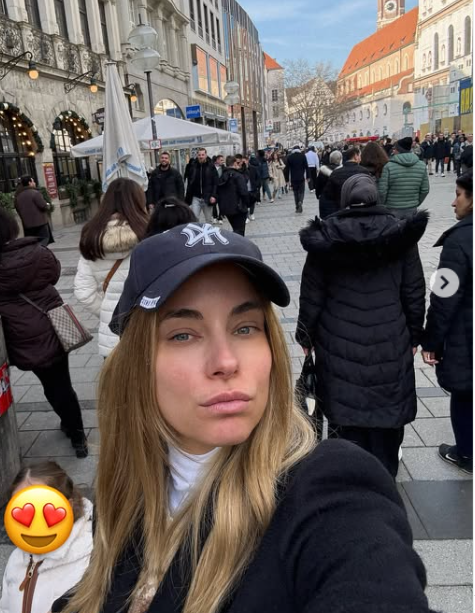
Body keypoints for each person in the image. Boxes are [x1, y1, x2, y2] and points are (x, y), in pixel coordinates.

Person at [52, 222, 435, 613]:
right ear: (137, 363)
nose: (226, 361)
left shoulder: (328, 488)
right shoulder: (126, 489)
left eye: (246, 328)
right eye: (183, 334)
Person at [296, 175, 427, 478]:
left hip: (338, 343)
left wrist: (305, 336)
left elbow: (311, 294)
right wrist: (414, 334)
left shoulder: (326, 238)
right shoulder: (400, 235)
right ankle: (384, 480)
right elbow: (413, 291)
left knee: (345, 423)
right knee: (387, 420)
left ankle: (348, 484)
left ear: (344, 201)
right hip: (390, 340)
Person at [0, 205, 88, 457]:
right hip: (52, 329)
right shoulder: (37, 252)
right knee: (60, 385)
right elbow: (54, 274)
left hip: (16, 337)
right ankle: (78, 436)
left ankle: (71, 425)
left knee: (50, 385)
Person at [421, 171, 473, 474]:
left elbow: (443, 297)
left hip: (467, 335)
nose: (454, 202)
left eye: (459, 194)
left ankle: (466, 453)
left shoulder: (458, 241)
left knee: (465, 394)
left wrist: (432, 341)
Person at [0, 462, 93, 613]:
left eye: (44, 508)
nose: (35, 523)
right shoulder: (16, 558)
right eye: (22, 508)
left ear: (68, 506)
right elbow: (5, 607)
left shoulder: (90, 561)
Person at [74, 178, 148, 357]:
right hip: (147, 327)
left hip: (112, 337)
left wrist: (109, 312)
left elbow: (83, 292)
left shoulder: (92, 238)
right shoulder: (149, 233)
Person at [378, 137, 430, 217]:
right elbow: (425, 189)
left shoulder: (388, 167)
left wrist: (384, 204)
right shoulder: (421, 165)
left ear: (398, 150)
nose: (393, 151)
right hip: (412, 208)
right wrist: (416, 202)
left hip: (392, 208)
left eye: (395, 149)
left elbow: (382, 191)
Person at [320, 146, 369, 218]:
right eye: (360, 156)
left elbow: (328, 195)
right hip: (358, 211)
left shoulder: (336, 172)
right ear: (355, 156)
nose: (360, 159)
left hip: (339, 210)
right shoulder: (363, 171)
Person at [14, 176, 53, 246]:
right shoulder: (35, 193)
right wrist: (48, 205)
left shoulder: (18, 196)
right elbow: (43, 205)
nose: (34, 183)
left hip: (27, 225)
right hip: (40, 223)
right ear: (29, 183)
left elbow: (17, 209)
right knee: (44, 240)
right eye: (33, 181)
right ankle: (40, 251)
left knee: (32, 243)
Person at [217, 155, 250, 235]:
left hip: (227, 208)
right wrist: (248, 203)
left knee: (236, 228)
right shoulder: (238, 175)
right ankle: (236, 242)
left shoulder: (222, 176)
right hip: (238, 208)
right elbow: (244, 192)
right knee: (239, 231)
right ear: (234, 163)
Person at [184, 148, 218, 222]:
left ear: (206, 155)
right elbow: (190, 182)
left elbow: (215, 182)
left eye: (202, 155)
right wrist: (187, 197)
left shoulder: (211, 166)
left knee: (208, 220)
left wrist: (213, 195)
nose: (201, 156)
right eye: (199, 155)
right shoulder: (193, 166)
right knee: (194, 218)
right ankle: (197, 229)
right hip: (196, 197)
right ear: (197, 155)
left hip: (207, 197)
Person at [315, 149, 342, 218]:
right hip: (338, 200)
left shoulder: (323, 170)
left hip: (325, 199)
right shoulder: (342, 171)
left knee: (326, 220)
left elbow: (318, 185)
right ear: (340, 160)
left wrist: (318, 195)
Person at [285, 145, 309, 213]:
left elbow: (287, 169)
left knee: (295, 193)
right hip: (301, 178)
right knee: (302, 192)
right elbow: (307, 167)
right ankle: (300, 201)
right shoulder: (303, 156)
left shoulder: (290, 157)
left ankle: (297, 207)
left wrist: (287, 180)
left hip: (293, 178)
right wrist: (308, 177)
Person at [240, 154, 260, 222]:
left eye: (244, 161)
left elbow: (258, 177)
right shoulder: (241, 170)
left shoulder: (253, 168)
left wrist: (257, 185)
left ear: (247, 161)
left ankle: (251, 213)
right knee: (245, 203)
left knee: (252, 202)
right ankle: (246, 217)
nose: (243, 163)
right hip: (244, 189)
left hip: (252, 188)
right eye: (242, 161)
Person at [211, 154, 226, 224]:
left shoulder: (224, 168)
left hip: (222, 188)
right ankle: (214, 217)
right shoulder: (211, 167)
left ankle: (220, 217)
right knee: (213, 203)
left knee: (221, 204)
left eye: (223, 160)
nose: (222, 161)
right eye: (221, 160)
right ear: (217, 160)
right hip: (213, 188)